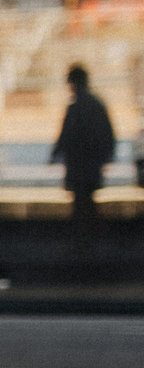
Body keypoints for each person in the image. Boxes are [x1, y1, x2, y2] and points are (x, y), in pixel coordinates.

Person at [50, 64, 115, 246]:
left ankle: (83, 237)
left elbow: (66, 134)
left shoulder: (76, 107)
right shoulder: (95, 104)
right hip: (91, 161)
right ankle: (90, 236)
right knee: (87, 199)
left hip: (79, 162)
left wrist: (56, 153)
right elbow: (107, 134)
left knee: (81, 200)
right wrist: (106, 155)